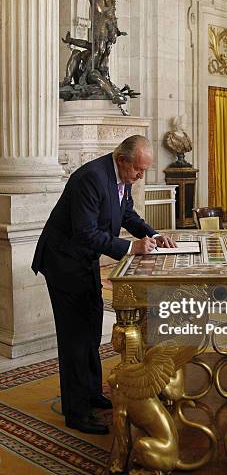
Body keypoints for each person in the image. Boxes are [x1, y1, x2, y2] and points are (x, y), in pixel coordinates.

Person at [31, 136, 176, 435]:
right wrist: (130, 248)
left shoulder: (120, 176)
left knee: (92, 328)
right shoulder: (90, 178)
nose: (140, 176)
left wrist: (153, 233)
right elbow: (85, 232)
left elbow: (127, 214)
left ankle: (92, 392)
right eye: (138, 170)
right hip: (64, 262)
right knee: (75, 338)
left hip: (84, 262)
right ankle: (77, 411)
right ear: (122, 160)